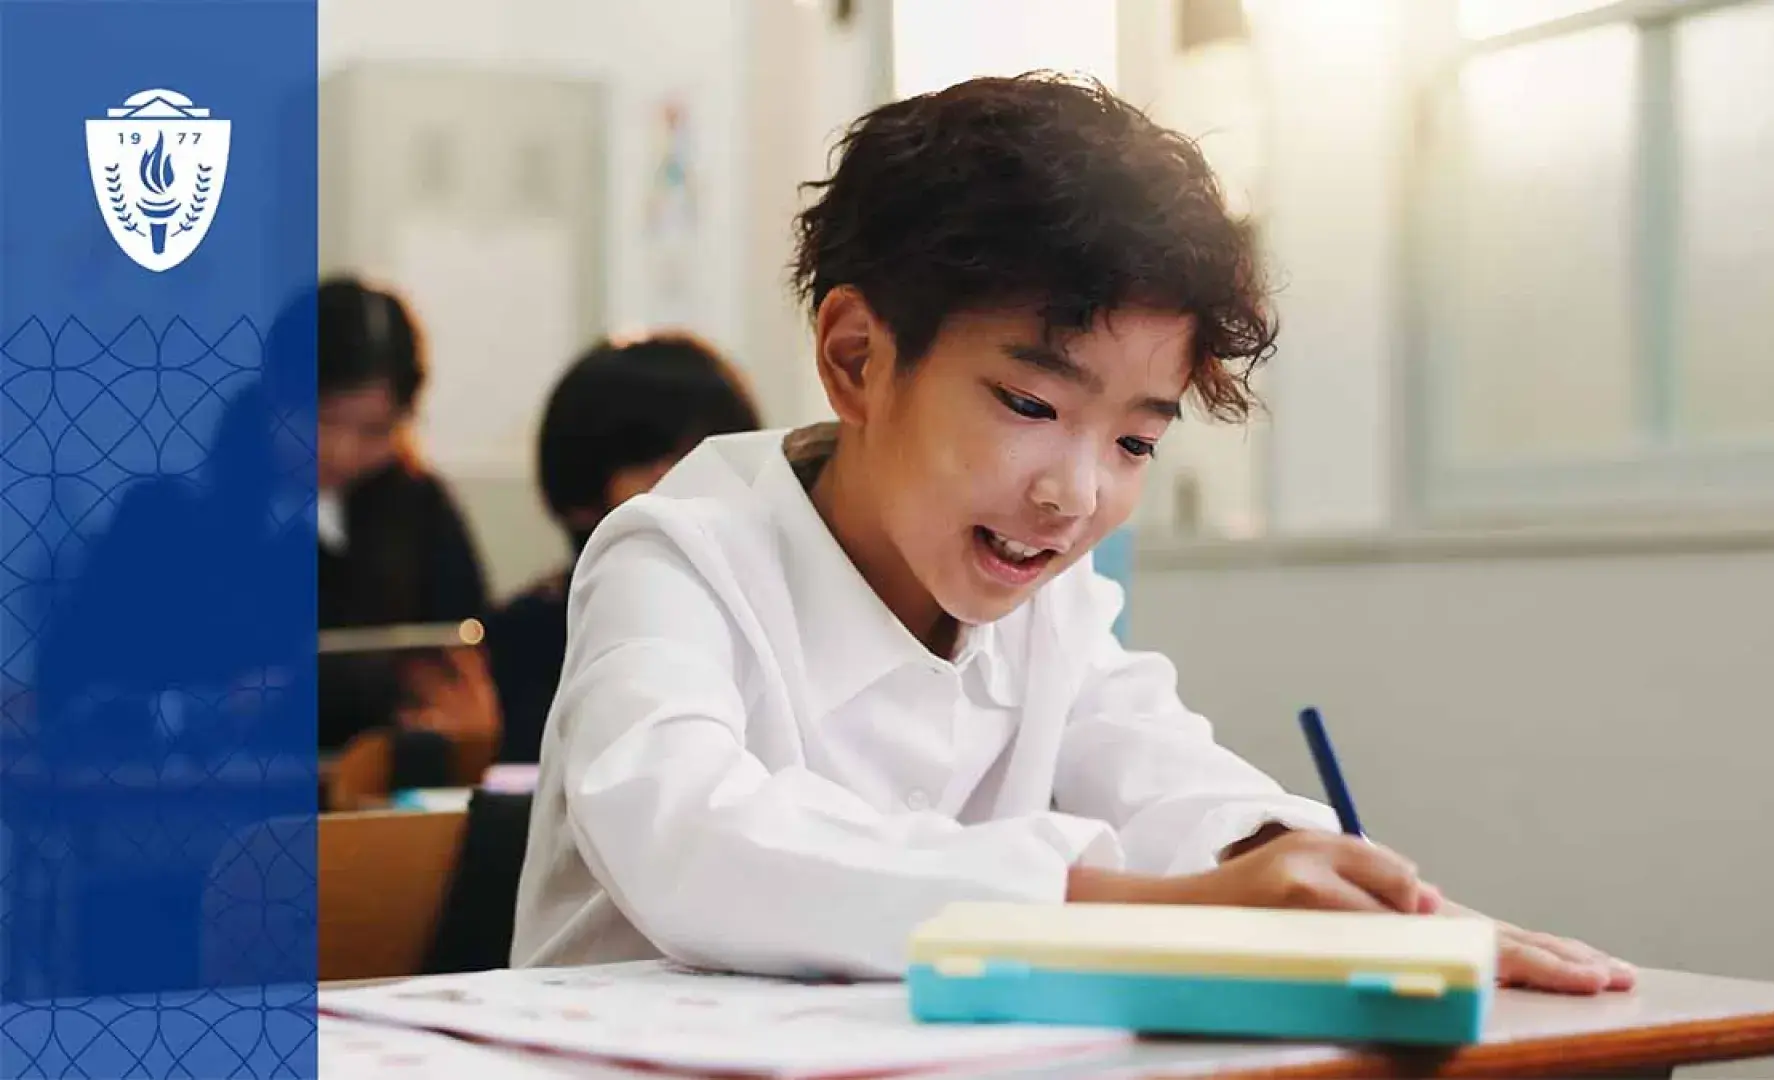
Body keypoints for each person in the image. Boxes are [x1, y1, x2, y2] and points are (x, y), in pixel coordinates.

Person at [511, 74, 1636, 994]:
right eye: (1031, 407)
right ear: (857, 359)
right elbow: (690, 838)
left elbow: (1160, 772)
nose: (1074, 495)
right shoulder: (679, 554)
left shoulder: (1046, 594)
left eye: (1136, 444)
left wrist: (1311, 879)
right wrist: (1172, 915)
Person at [485, 334, 762, 763]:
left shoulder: (764, 616)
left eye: (699, 457)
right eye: (648, 462)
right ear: (584, 483)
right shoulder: (531, 631)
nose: (680, 483)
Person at [313, 276, 497, 754]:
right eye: (322, 419)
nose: (340, 451)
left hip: (385, 785)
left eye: (374, 430)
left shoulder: (423, 509)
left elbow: (467, 649)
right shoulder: (180, 513)